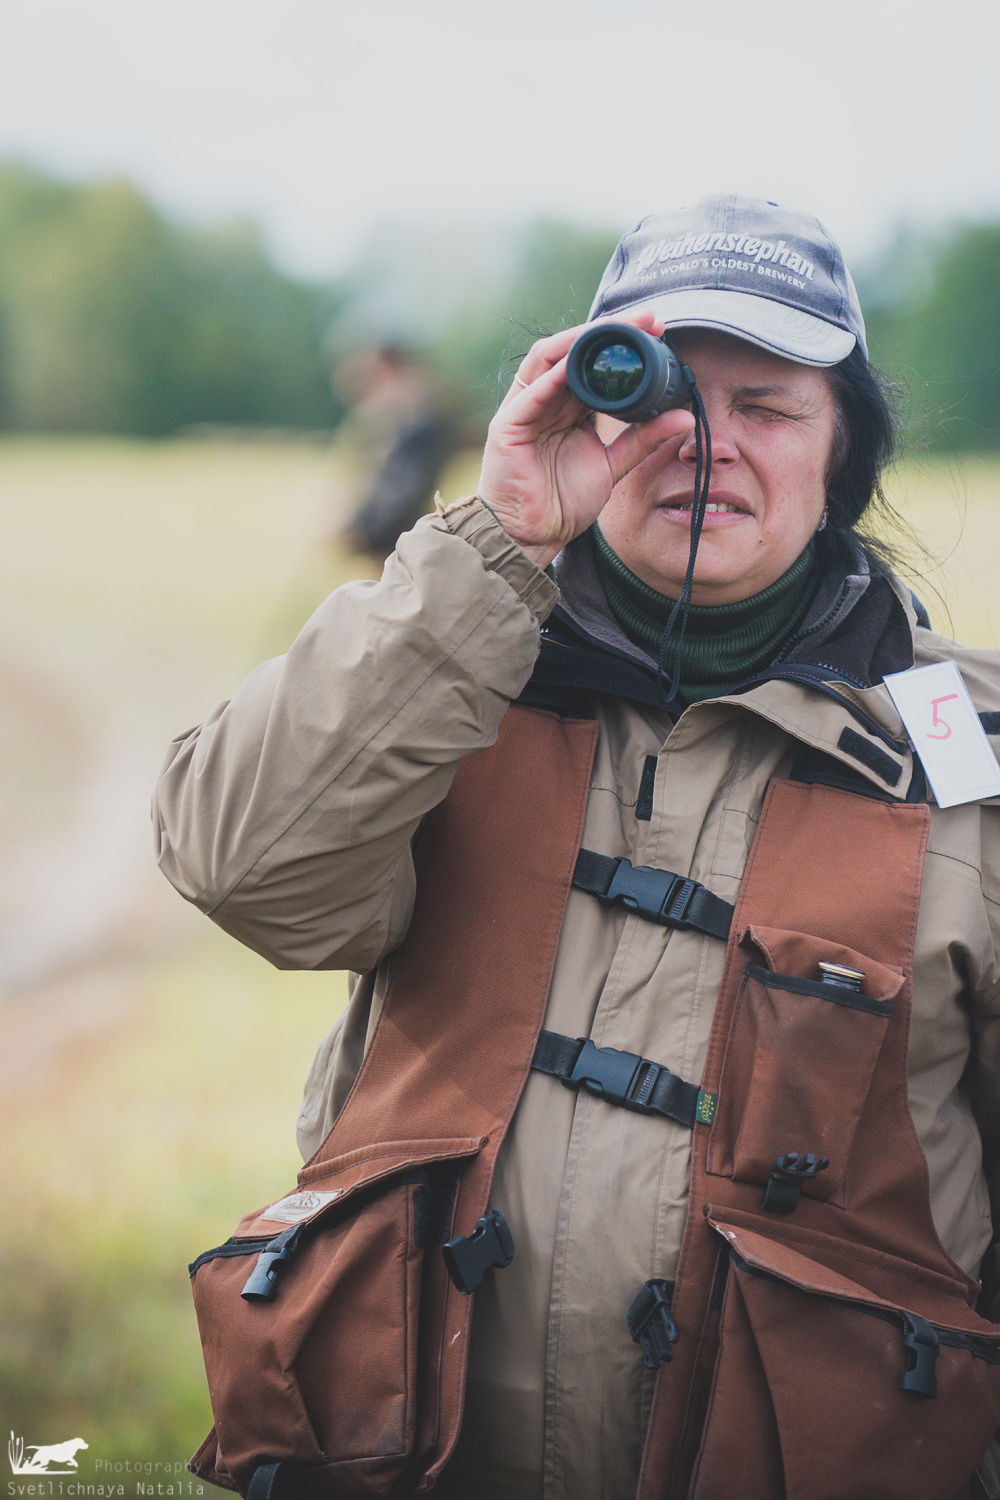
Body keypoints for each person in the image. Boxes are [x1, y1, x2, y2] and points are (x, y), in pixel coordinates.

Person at [155, 196, 1000, 1499]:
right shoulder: (444, 668)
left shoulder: (971, 760)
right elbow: (241, 869)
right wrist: (493, 547)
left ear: (843, 451)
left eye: (767, 405)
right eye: (654, 399)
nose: (705, 446)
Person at [330, 341, 458, 557]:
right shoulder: (433, 407)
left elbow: (394, 485)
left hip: (387, 522)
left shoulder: (395, 414)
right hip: (406, 518)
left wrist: (355, 522)